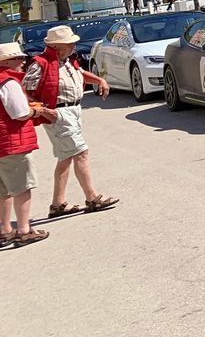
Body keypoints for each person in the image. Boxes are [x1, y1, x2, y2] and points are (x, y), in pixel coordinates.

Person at [23, 25, 118, 218]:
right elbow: (26, 90)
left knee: (66, 158)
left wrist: (99, 81)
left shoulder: (66, 61)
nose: (74, 45)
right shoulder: (41, 63)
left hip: (71, 111)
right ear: (57, 46)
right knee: (81, 152)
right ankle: (92, 198)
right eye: (70, 43)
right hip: (58, 113)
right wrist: (43, 110)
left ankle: (58, 204)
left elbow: (80, 74)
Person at [1, 41, 57, 246]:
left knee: (3, 189)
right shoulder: (9, 83)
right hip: (12, 141)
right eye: (19, 58)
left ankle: (5, 229)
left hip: (2, 143)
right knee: (22, 187)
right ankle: (24, 230)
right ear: (7, 62)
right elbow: (20, 113)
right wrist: (38, 111)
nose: (23, 62)